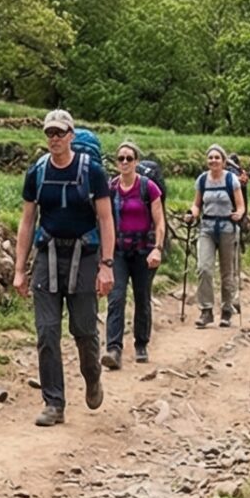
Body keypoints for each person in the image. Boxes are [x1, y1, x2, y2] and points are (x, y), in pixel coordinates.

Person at [13, 108, 115, 426]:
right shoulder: (37, 172)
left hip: (84, 256)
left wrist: (106, 265)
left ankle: (92, 375)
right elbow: (27, 221)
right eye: (50, 133)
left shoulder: (92, 172)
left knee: (84, 330)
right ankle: (53, 403)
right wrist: (19, 269)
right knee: (46, 332)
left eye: (60, 133)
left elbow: (105, 219)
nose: (54, 138)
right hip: (48, 256)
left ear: (71, 135)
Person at [102, 140, 165, 370]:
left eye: (129, 158)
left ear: (136, 161)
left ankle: (141, 344)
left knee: (142, 296)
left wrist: (158, 248)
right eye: (121, 158)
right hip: (118, 251)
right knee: (116, 297)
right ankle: (113, 348)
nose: (125, 162)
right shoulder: (110, 189)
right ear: (116, 162)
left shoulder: (149, 188)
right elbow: (103, 219)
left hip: (144, 251)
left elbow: (159, 221)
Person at [192, 144, 246, 327]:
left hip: (227, 228)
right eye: (210, 158)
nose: (213, 160)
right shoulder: (202, 180)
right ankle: (206, 310)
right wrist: (192, 213)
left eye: (217, 158)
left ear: (223, 161)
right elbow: (197, 204)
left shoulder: (231, 180)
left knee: (227, 272)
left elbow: (240, 205)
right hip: (206, 228)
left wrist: (239, 214)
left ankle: (226, 310)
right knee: (204, 268)